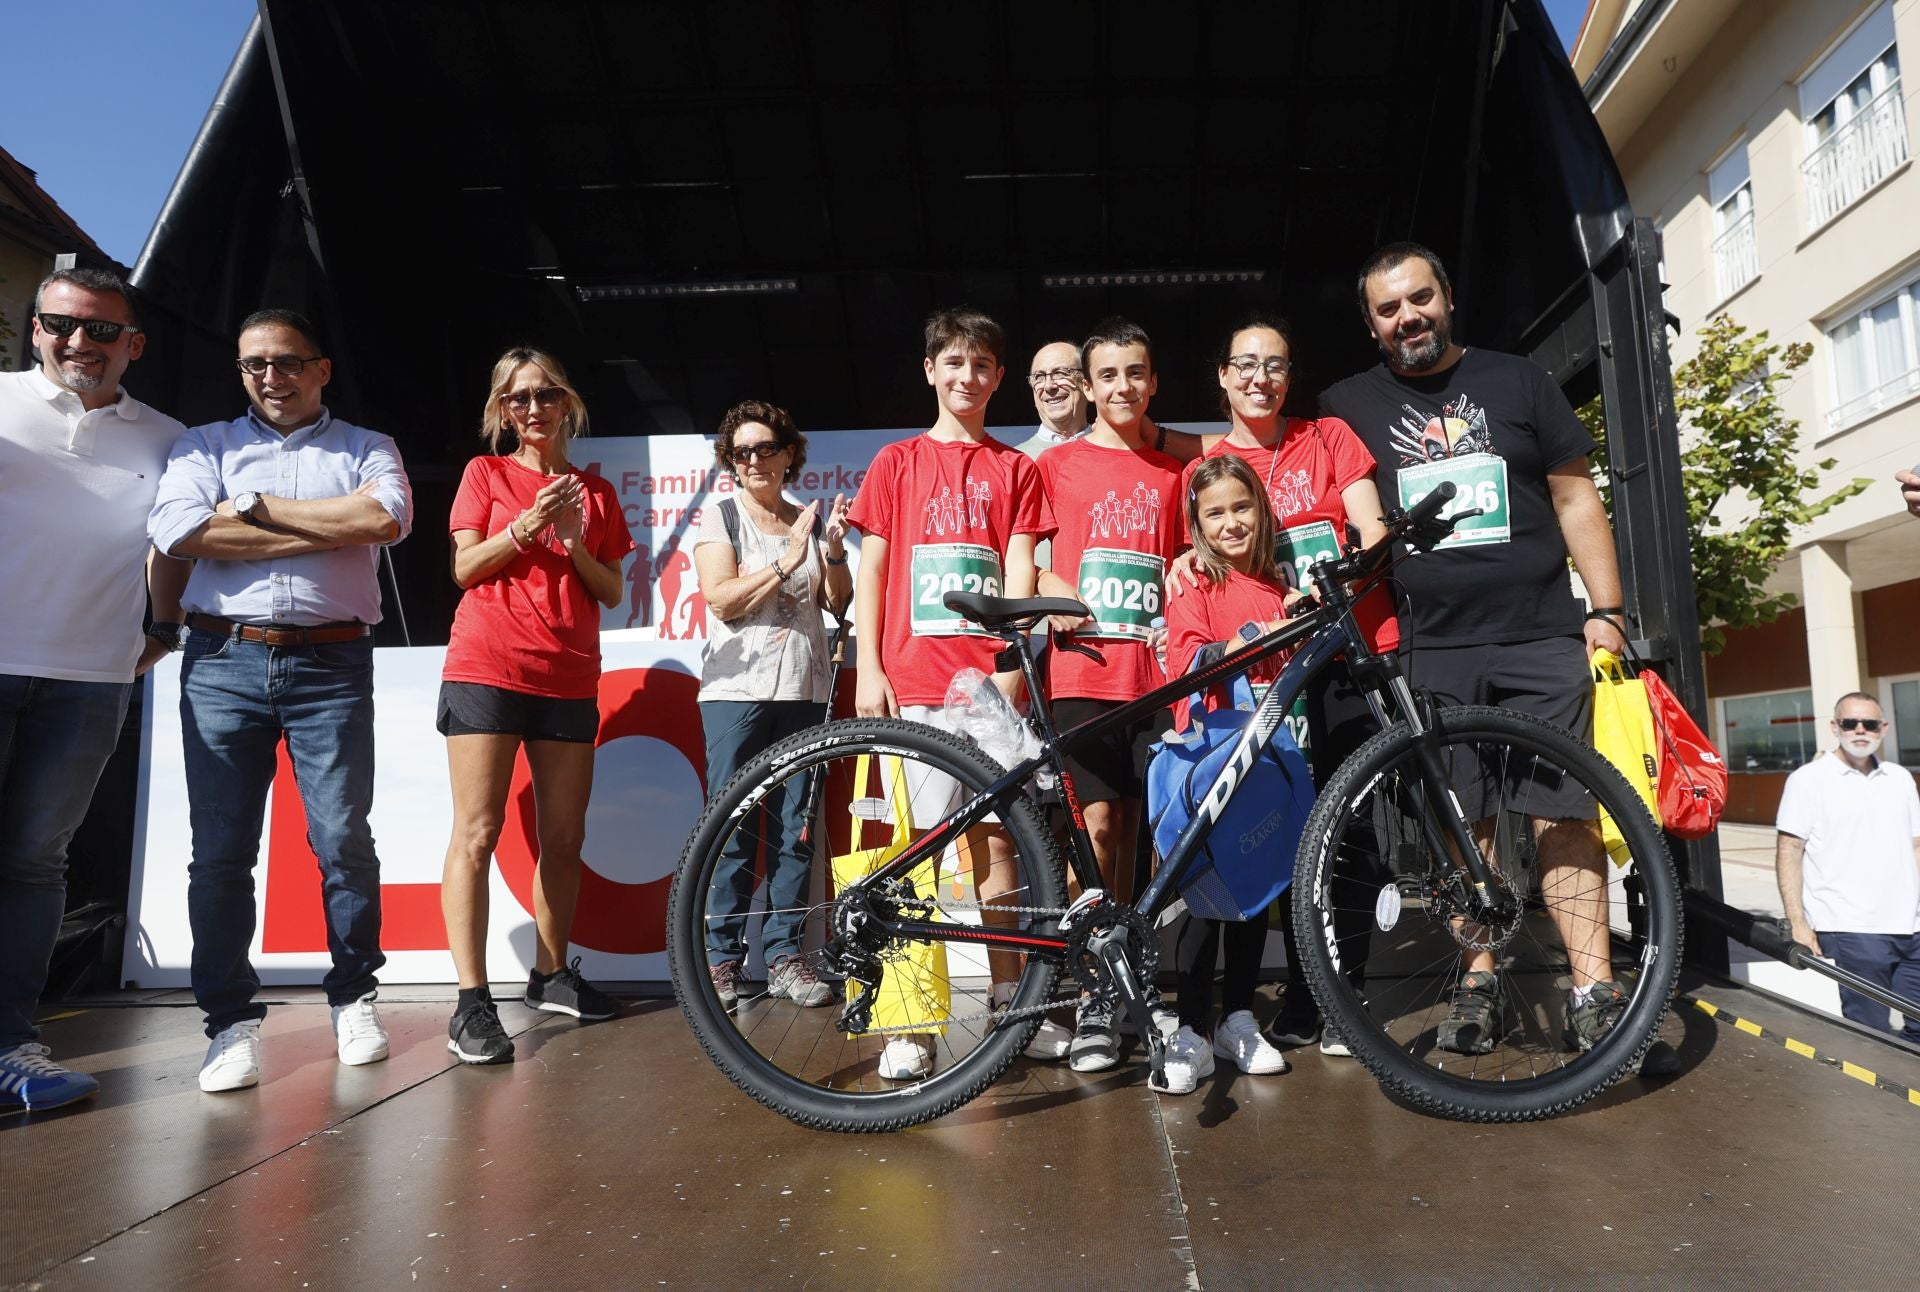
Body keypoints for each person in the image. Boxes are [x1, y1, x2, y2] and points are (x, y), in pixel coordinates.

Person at [1319, 242, 1631, 1056]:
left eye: (1419, 299)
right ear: (1370, 324)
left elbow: (1574, 497)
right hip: (1430, 648)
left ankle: (1593, 990)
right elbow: (1256, 459)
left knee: (1565, 812)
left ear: (1447, 298)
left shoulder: (1520, 380)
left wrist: (1609, 610)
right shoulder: (1345, 404)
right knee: (1468, 826)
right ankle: (1480, 979)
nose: (1407, 317)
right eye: (1388, 309)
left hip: (1537, 634)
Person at [148, 308, 413, 1093]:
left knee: (341, 842)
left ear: (321, 368)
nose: (271, 377)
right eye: (254, 364)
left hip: (331, 664)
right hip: (223, 659)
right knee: (221, 854)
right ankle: (228, 1022)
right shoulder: (204, 444)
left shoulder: (369, 446)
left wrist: (256, 512)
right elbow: (178, 531)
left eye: (288, 362)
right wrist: (323, 530)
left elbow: (384, 519)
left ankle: (356, 993)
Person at [1175, 313, 1395, 1059]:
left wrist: (1333, 596)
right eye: (1244, 363)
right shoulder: (1207, 469)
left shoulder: (1327, 437)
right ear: (1223, 376)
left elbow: (1370, 532)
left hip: (1347, 654)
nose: (1258, 376)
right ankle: (1292, 1003)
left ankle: (1341, 994)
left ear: (1288, 374)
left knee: (1350, 835)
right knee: (1279, 832)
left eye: (1274, 363)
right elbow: (1198, 565)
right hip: (1269, 677)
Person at [846, 306, 1057, 1079]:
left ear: (1000, 378)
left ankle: (1011, 1006)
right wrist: (868, 666)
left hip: (987, 688)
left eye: (983, 366)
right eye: (954, 363)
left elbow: (1022, 568)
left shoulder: (1017, 470)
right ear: (931, 370)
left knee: (998, 844)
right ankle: (910, 1022)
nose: (968, 378)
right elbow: (871, 571)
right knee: (911, 855)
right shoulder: (895, 463)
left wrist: (1012, 661)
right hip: (913, 687)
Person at [0, 268, 188, 1113]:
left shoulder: (169, 438)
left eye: (101, 331)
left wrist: (161, 630)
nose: (79, 343)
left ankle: (10, 1047)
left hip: (89, 680)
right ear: (34, 328)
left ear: (133, 344)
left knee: (34, 863)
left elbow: (173, 546)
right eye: (60, 326)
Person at [437, 348, 635, 1064]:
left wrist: (575, 542)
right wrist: (523, 528)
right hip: (487, 667)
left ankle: (551, 974)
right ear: (501, 410)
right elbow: (463, 568)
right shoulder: (484, 475)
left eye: (545, 394)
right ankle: (470, 1003)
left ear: (566, 401)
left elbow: (609, 591)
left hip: (570, 676)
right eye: (517, 398)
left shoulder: (595, 492)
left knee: (565, 837)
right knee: (478, 833)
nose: (533, 408)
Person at [1033, 317, 1185, 1073]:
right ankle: (1089, 981)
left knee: (1136, 827)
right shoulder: (1055, 465)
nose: (1122, 387)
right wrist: (1059, 592)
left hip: (1155, 676)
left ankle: (1125, 977)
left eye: (1136, 373)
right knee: (1091, 827)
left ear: (1152, 383)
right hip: (1082, 673)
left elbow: (1184, 557)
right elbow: (1028, 560)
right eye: (1108, 376)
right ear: (1086, 388)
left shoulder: (1174, 470)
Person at [695, 400, 851, 1013]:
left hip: (805, 693)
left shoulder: (808, 518)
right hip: (737, 693)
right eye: (741, 452)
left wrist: (831, 551)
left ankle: (786, 955)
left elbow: (837, 604)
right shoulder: (723, 515)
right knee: (733, 826)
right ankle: (724, 961)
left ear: (789, 453)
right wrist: (786, 558)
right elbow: (722, 600)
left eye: (765, 449)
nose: (754, 461)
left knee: (796, 830)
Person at [1159, 455, 1307, 1093]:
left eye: (1242, 507)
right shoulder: (1193, 581)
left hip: (1271, 760)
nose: (1231, 522)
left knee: (1255, 890)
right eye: (1214, 512)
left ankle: (1239, 1017)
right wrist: (1264, 634)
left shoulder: (1280, 584)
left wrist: (1293, 612)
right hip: (1213, 756)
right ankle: (1191, 1027)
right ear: (1195, 523)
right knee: (1204, 893)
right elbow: (1188, 659)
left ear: (1262, 510)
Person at [1775, 693, 1920, 1042]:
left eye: (1869, 724)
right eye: (1849, 723)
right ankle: (1881, 1096)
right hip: (1851, 926)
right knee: (1871, 1035)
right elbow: (1790, 849)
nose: (1859, 730)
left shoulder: (1899, 778)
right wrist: (1798, 921)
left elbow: (1916, 846)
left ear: (1882, 728)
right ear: (1834, 726)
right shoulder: (1808, 779)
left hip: (1912, 926)